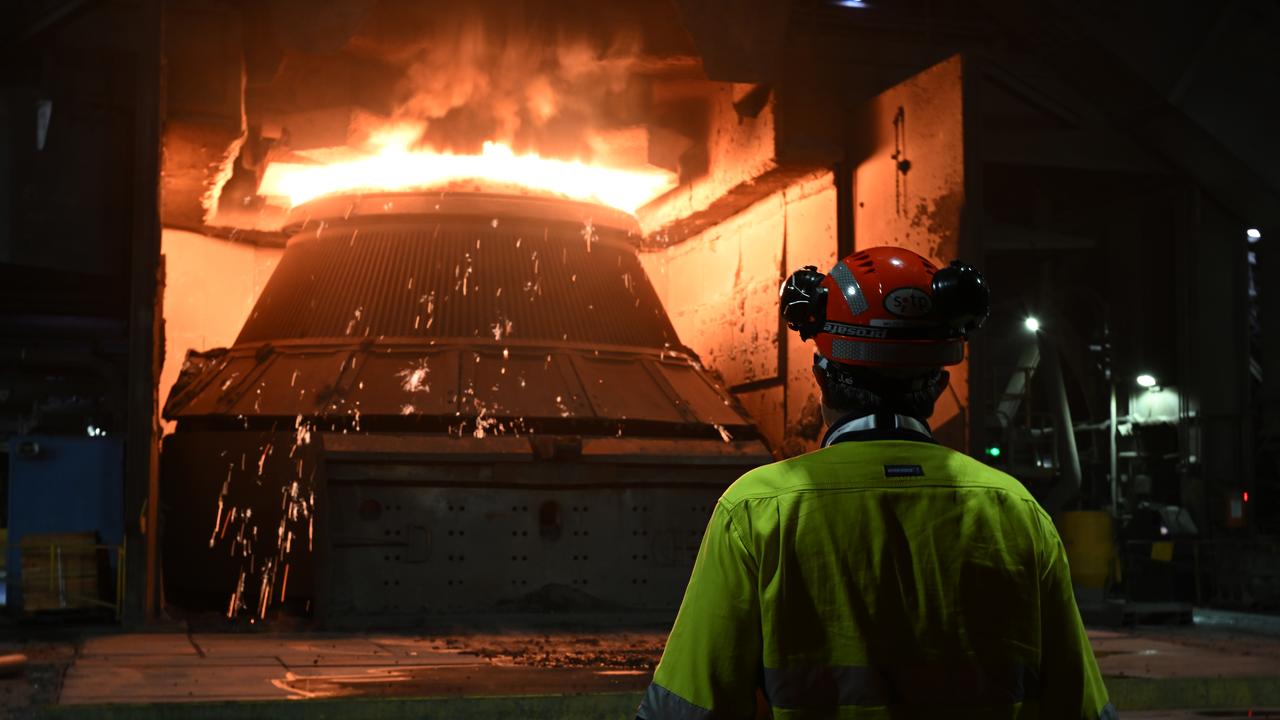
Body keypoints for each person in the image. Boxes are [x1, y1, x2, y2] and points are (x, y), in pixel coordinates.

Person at [636, 246, 1114, 719]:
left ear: (822, 377)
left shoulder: (757, 510)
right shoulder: (1017, 513)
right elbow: (1080, 708)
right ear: (939, 384)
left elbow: (684, 711)